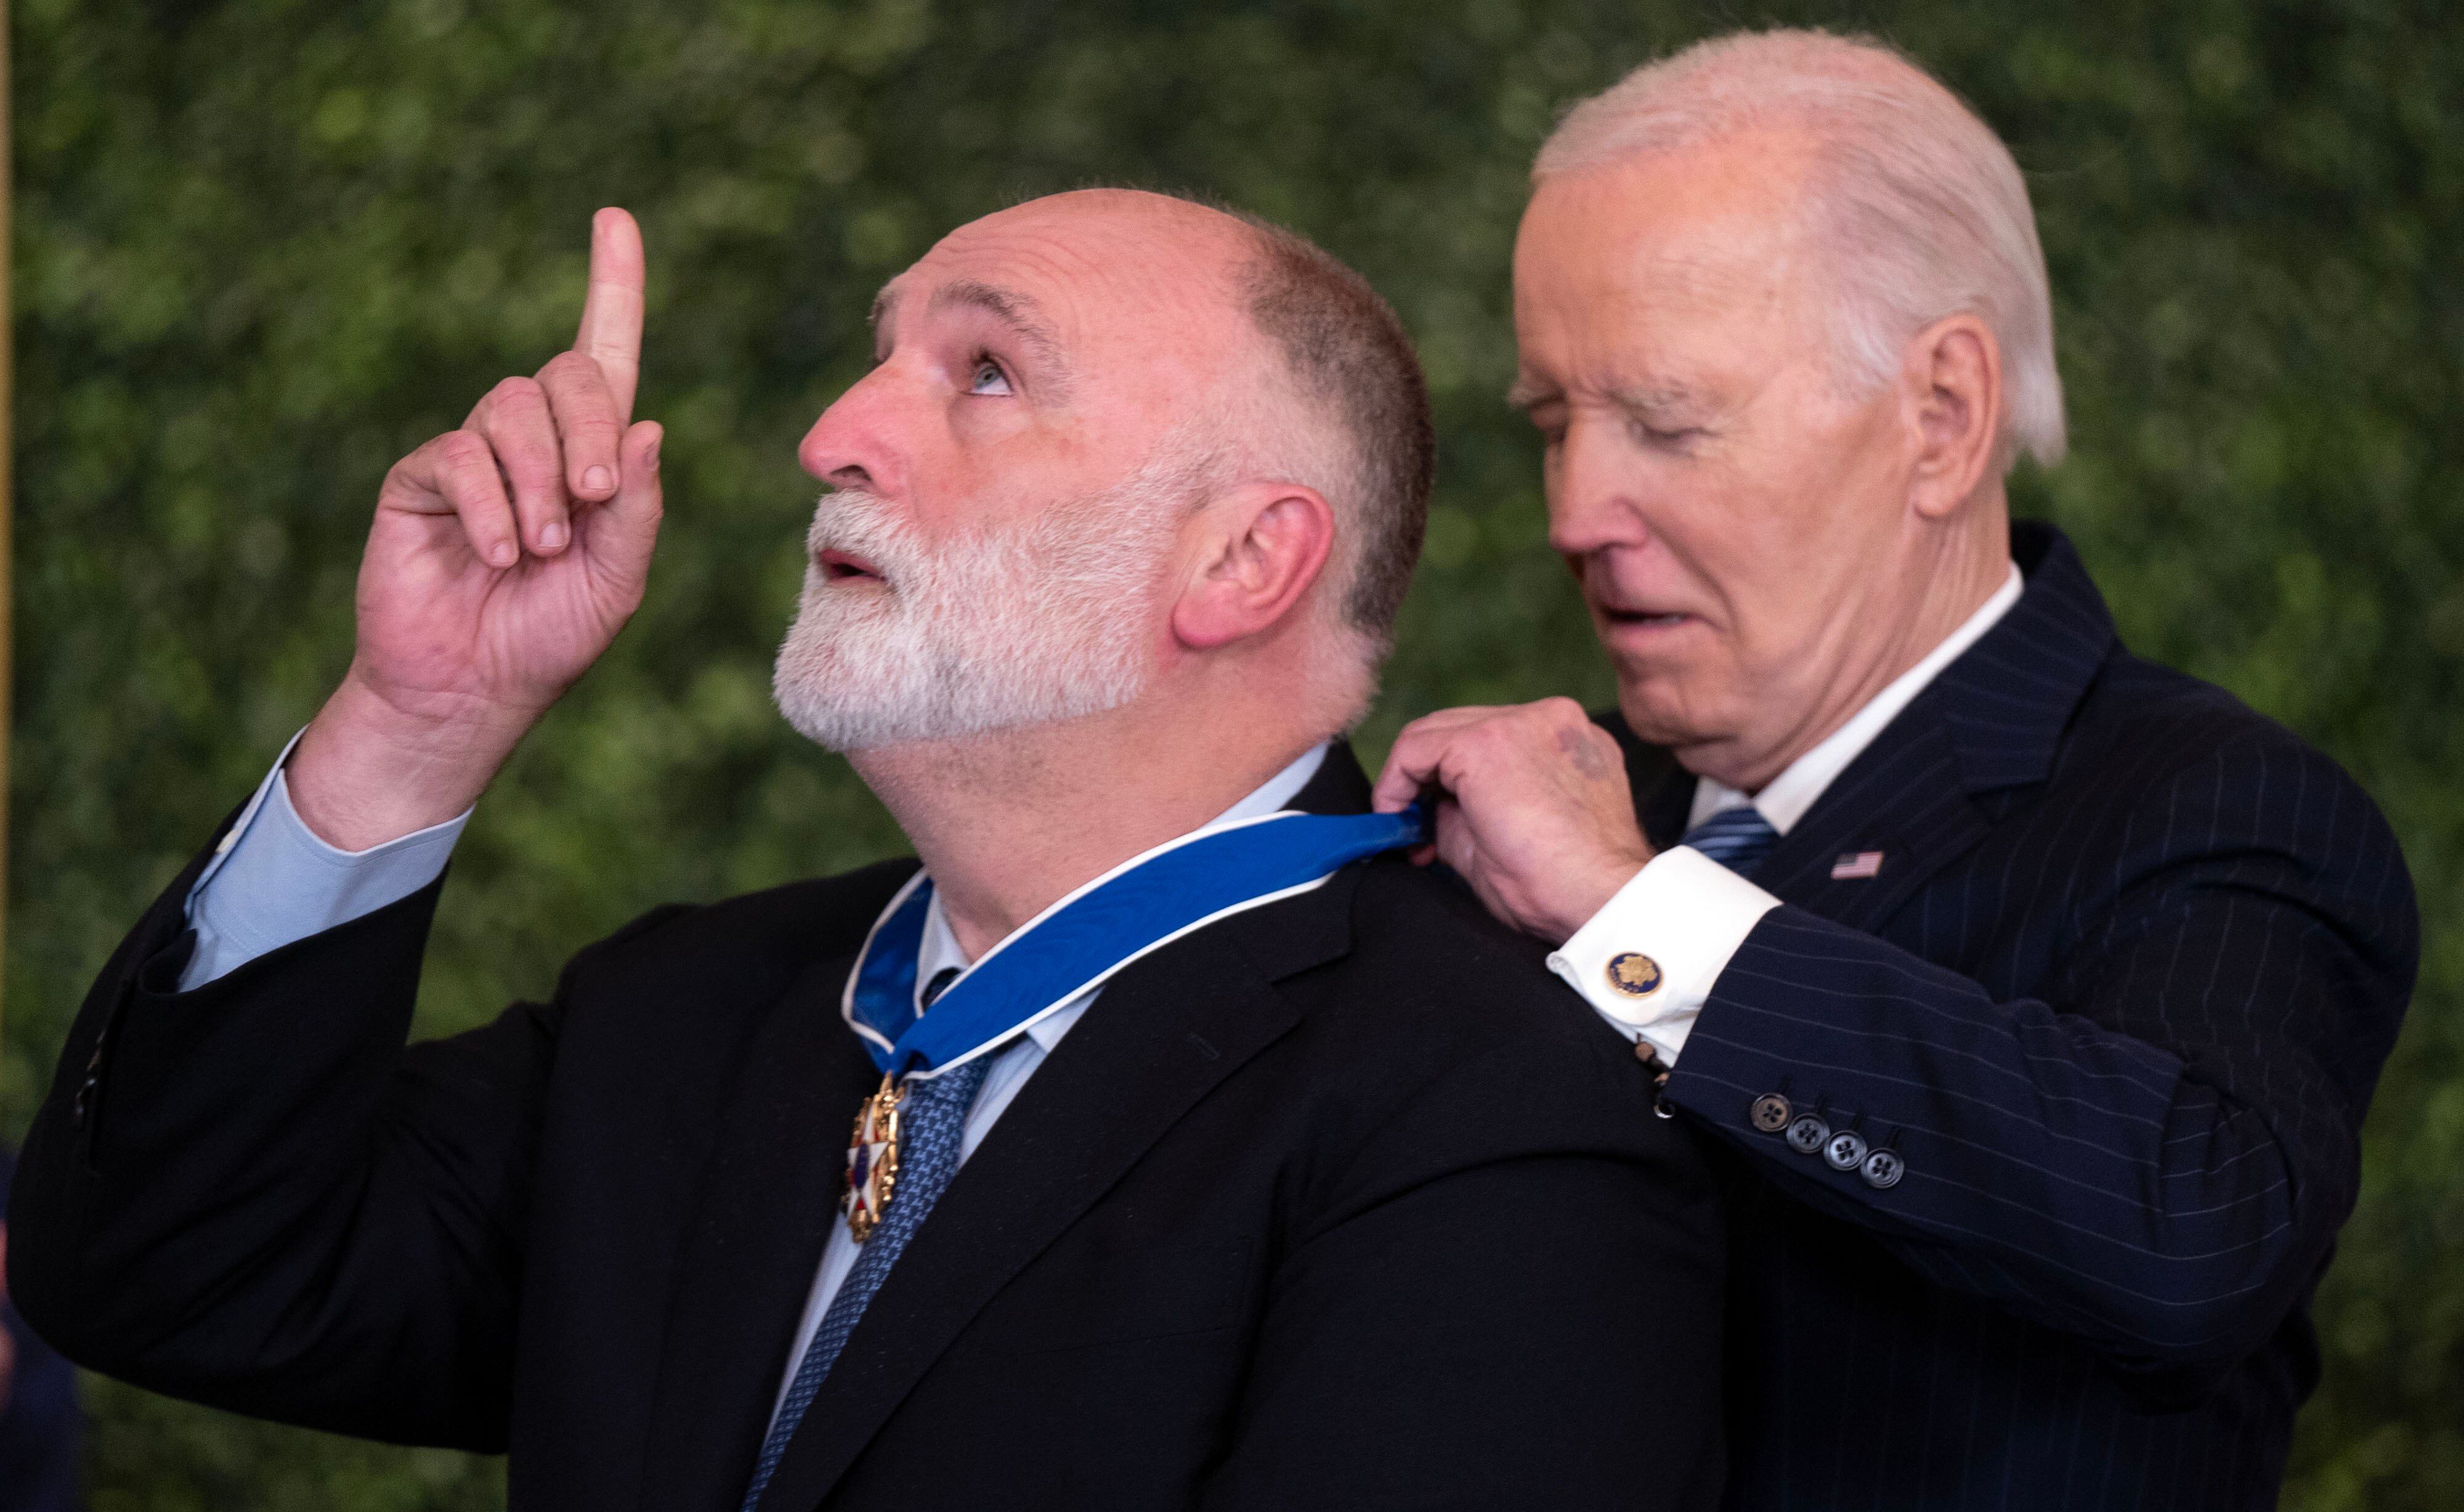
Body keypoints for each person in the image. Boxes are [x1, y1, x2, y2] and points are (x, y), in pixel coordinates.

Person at [9, 190, 1727, 1511]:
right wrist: (416, 717)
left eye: (984, 368)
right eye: (880, 352)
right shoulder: (676, 1015)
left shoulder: (1496, 1115)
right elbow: (169, 1271)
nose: (834, 430)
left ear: (1242, 563)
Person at [1374, 30, 2417, 1512]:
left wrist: (1636, 918)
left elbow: (2188, 1231)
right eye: (1555, 423)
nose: (1575, 510)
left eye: (1666, 421)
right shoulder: (1571, 842)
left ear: (1939, 415)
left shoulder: (2212, 811)